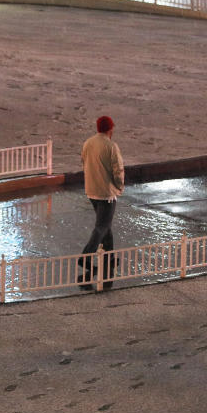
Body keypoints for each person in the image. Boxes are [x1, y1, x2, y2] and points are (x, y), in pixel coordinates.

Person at [79, 115, 124, 287]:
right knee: (102, 226)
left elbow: (83, 162)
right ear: (109, 129)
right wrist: (119, 186)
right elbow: (117, 170)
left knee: (106, 223)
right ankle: (86, 256)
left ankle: (109, 256)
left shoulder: (88, 143)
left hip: (91, 191)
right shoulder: (111, 146)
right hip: (106, 193)